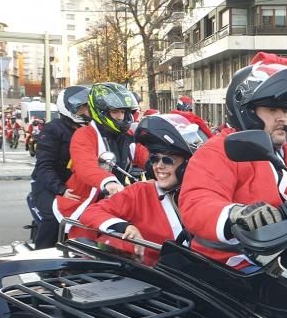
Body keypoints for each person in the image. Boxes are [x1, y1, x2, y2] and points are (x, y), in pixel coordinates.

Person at [179, 52, 287, 270]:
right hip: (234, 264)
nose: (283, 117)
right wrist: (236, 214)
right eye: (273, 109)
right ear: (247, 111)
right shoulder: (220, 149)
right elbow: (197, 201)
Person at [80, 114, 204, 264]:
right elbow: (91, 213)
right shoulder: (140, 192)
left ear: (187, 164)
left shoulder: (204, 193)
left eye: (167, 160)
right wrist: (126, 227)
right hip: (157, 280)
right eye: (154, 159)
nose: (159, 166)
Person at [53, 82, 148, 238]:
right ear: (101, 111)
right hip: (86, 202)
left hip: (117, 200)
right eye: (116, 112)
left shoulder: (129, 136)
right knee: (84, 250)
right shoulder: (85, 134)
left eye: (125, 112)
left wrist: (168, 165)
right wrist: (108, 182)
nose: (121, 117)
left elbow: (145, 155)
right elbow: (85, 165)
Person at [29, 85, 91, 248]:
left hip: (79, 185)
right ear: (69, 108)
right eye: (82, 108)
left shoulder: (91, 129)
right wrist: (61, 189)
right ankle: (42, 259)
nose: (86, 111)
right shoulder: (53, 129)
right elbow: (44, 166)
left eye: (88, 107)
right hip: (48, 186)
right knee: (56, 216)